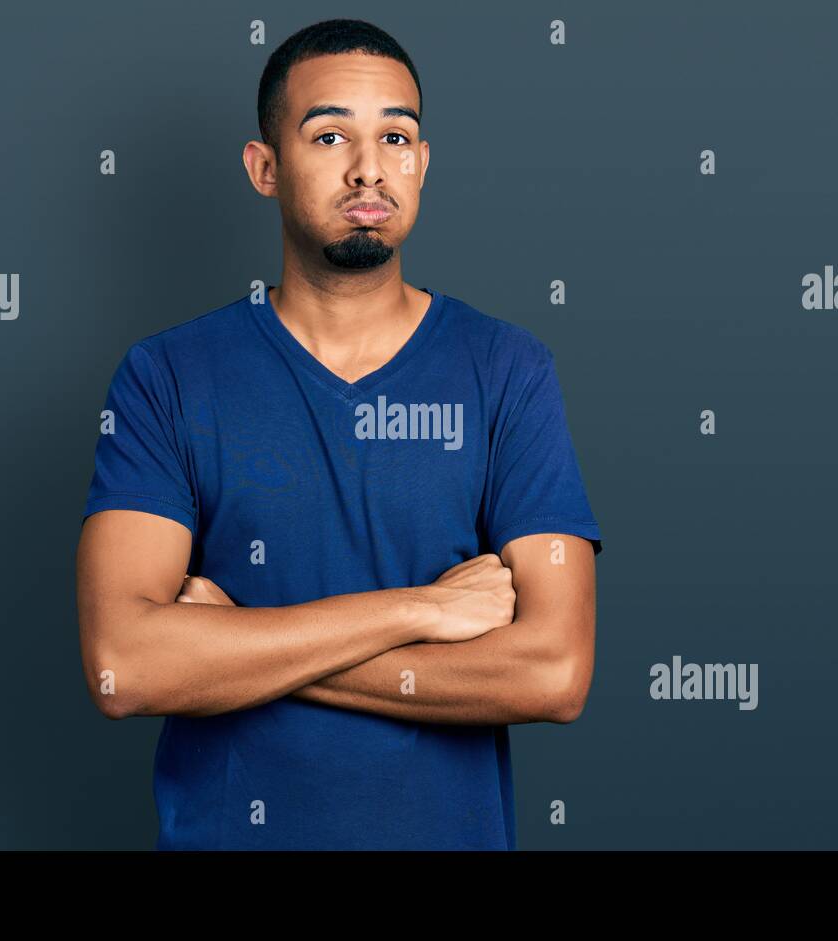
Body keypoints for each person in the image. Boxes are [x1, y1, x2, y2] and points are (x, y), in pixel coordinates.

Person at [76, 17, 602, 850]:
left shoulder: (507, 369)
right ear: (265, 167)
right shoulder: (167, 375)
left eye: (396, 136)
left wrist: (235, 644)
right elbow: (126, 665)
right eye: (329, 135)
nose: (369, 167)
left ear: (422, 164)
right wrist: (423, 609)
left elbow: (555, 673)